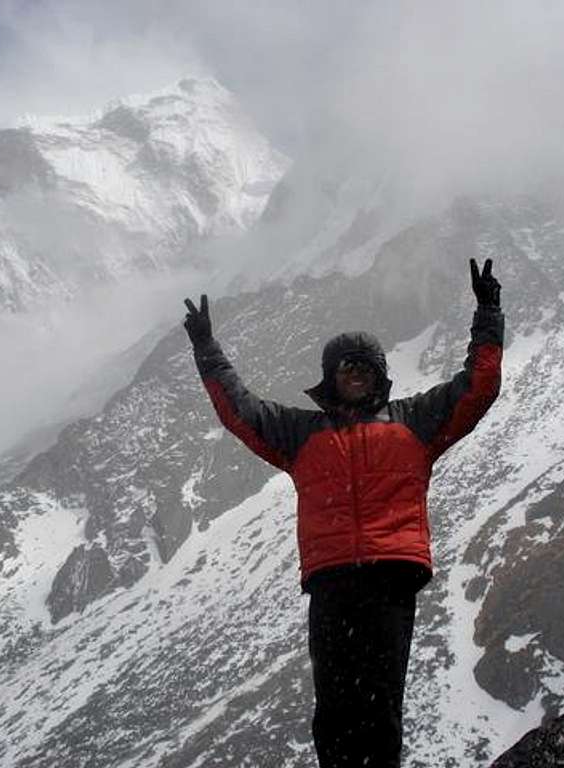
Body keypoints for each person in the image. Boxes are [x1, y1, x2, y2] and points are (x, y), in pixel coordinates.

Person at [183, 258, 504, 768]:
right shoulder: (301, 433)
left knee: (379, 708)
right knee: (333, 711)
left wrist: (488, 316)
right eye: (345, 368)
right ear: (331, 379)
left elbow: (477, 387)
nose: (355, 375)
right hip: (331, 584)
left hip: (389, 580)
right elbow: (239, 410)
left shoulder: (415, 421)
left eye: (363, 367)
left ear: (378, 375)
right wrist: (207, 350)